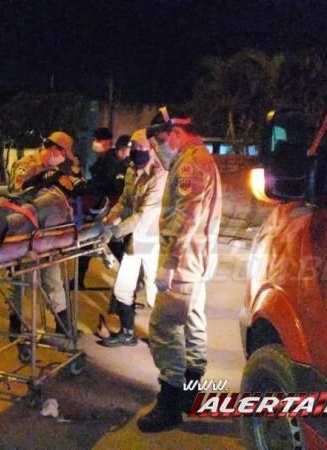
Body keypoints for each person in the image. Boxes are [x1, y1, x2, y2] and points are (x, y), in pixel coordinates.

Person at [137, 109, 222, 433]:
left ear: (177, 132)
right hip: (196, 260)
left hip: (183, 262)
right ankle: (190, 391)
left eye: (162, 139)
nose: (161, 147)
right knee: (193, 321)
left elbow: (186, 216)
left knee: (164, 327)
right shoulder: (202, 158)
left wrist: (169, 264)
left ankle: (170, 403)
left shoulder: (189, 162)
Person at [99, 129, 167, 347]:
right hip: (135, 238)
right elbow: (126, 202)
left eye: (141, 149)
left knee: (154, 290)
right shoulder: (131, 170)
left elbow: (143, 215)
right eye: (134, 149)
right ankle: (128, 333)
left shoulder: (159, 174)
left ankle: (163, 338)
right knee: (123, 287)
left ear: (152, 149)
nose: (137, 153)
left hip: (152, 238)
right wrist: (111, 218)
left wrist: (114, 231)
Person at [7, 131, 75, 339]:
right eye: (63, 154)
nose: (63, 159)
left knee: (53, 279)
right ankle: (15, 326)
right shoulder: (26, 165)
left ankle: (63, 325)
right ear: (55, 149)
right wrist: (41, 181)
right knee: (19, 281)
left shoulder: (52, 170)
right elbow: (16, 195)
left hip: (47, 234)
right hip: (23, 233)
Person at [75, 130, 130, 289]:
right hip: (102, 206)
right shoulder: (107, 159)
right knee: (90, 242)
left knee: (100, 242)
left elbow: (107, 186)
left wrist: (87, 189)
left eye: (97, 140)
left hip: (106, 208)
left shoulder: (112, 161)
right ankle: (79, 279)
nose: (94, 143)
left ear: (106, 142)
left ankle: (130, 279)